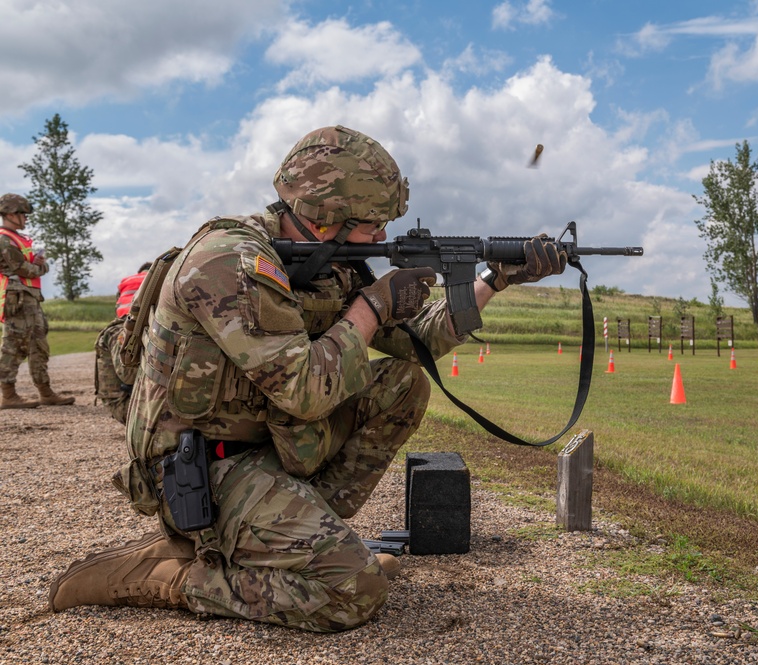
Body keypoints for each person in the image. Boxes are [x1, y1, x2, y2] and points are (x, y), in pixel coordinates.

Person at [49, 125, 566, 632]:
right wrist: (372, 306)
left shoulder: (325, 263)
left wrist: (496, 279)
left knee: (404, 383)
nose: (382, 237)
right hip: (200, 471)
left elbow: (417, 344)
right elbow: (302, 389)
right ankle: (174, 576)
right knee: (353, 593)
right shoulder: (231, 263)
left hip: (262, 449)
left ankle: (294, 542)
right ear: (325, 218)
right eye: (371, 223)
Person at [0, 193, 75, 409]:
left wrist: (36, 264)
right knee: (14, 345)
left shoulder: (16, 239)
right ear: (11, 214)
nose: (26, 218)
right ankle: (8, 395)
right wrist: (41, 267)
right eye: (23, 213)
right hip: (18, 298)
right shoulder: (4, 239)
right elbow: (23, 269)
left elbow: (28, 267)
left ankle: (45, 392)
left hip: (29, 298)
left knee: (38, 345)